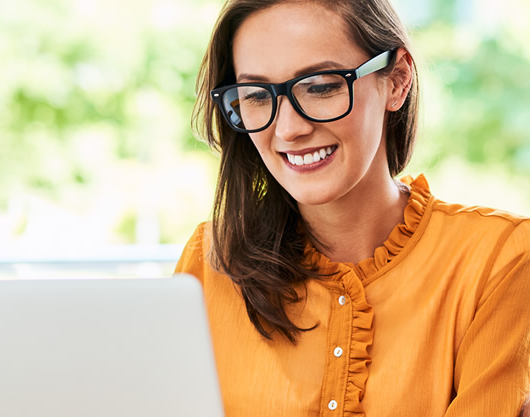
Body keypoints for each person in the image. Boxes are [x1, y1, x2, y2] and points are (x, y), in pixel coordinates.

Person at [174, 0, 530, 416]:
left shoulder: (500, 259)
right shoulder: (210, 260)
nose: (288, 129)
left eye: (320, 86)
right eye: (255, 95)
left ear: (396, 80)